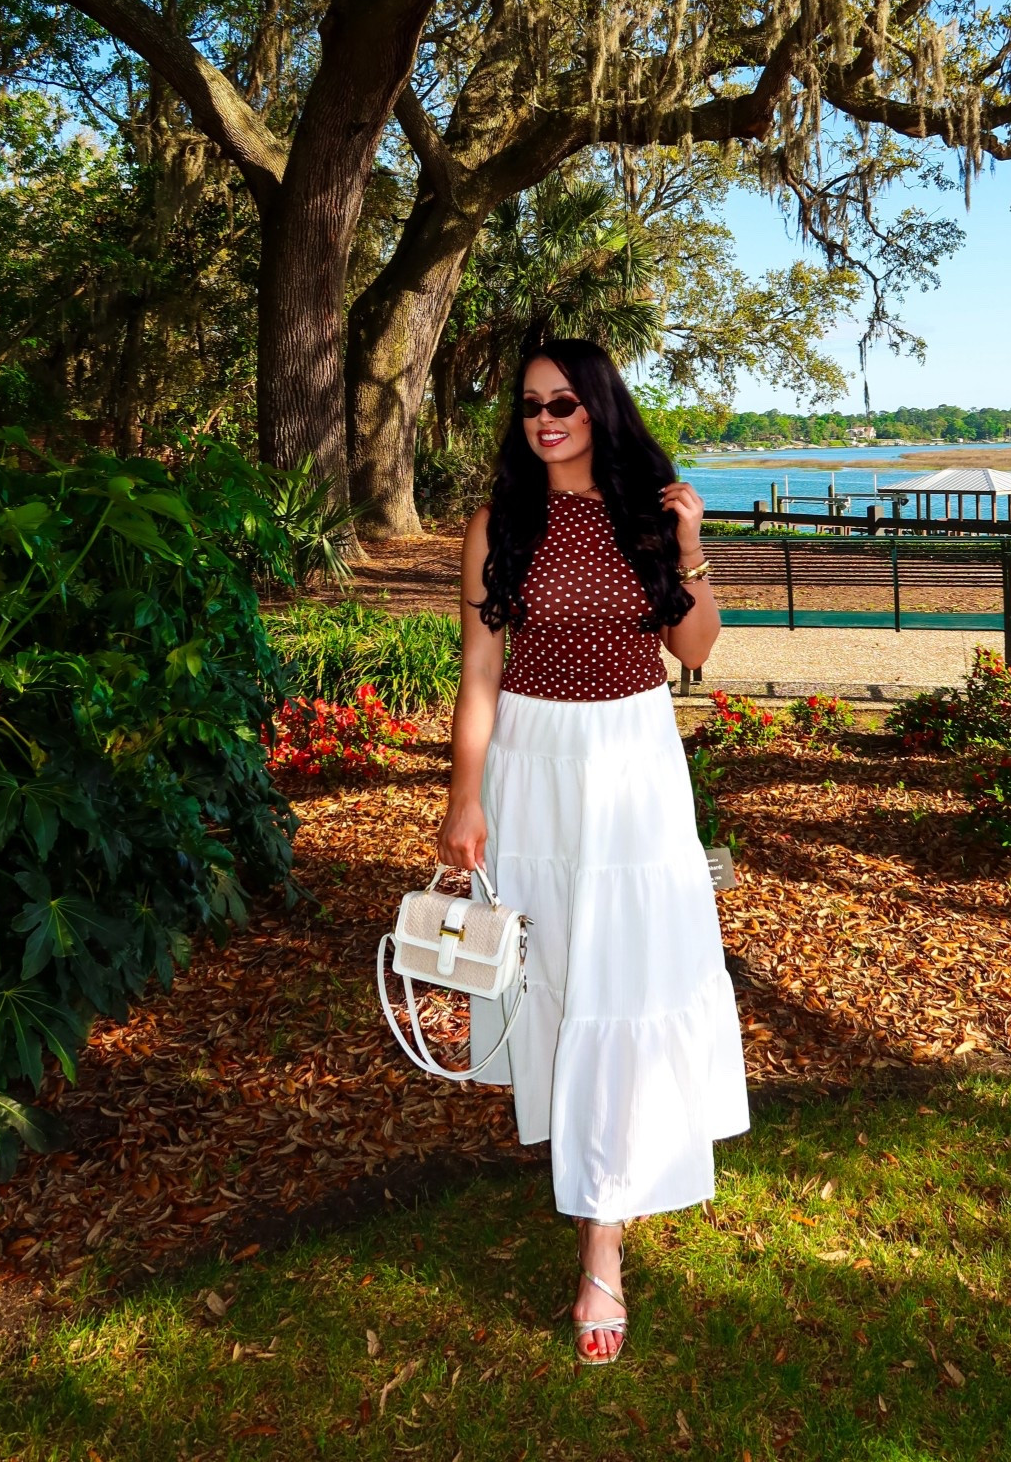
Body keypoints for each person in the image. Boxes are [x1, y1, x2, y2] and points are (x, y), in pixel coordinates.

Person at [436, 337, 749, 1365]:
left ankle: (601, 1247)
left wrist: (693, 542)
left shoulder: (646, 513)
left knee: (623, 983)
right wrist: (463, 800)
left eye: (563, 400)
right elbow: (480, 675)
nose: (545, 418)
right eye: (530, 405)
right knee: (564, 981)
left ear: (599, 406)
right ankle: (596, 1185)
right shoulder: (499, 523)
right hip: (535, 763)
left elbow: (693, 651)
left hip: (633, 759)